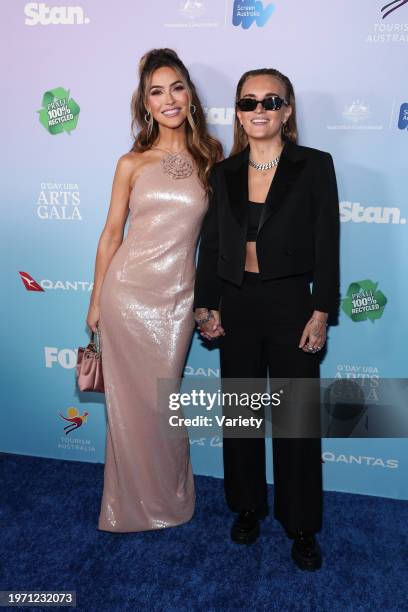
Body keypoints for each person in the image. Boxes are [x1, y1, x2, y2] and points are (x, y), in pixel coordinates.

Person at [193, 68, 340, 570]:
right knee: (242, 415)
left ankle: (301, 524)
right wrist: (205, 303)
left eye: (271, 100)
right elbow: (212, 246)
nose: (260, 109)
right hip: (236, 303)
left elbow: (328, 244)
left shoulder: (314, 166)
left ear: (288, 109)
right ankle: (248, 506)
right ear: (237, 111)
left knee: (296, 419)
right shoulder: (223, 172)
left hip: (290, 302)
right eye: (249, 101)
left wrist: (322, 309)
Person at [86, 48, 222, 532]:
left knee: (164, 399)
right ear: (145, 103)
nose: (169, 99)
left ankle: (170, 495)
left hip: (178, 298)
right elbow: (111, 235)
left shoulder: (212, 155)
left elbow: (222, 239)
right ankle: (128, 503)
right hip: (128, 293)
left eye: (177, 87)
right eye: (156, 91)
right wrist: (96, 299)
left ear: (190, 95)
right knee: (129, 404)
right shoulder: (131, 162)